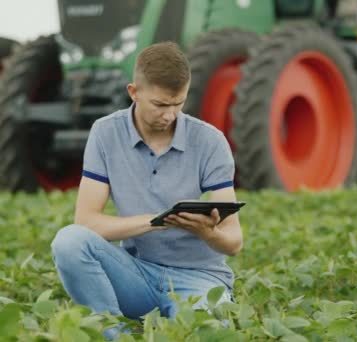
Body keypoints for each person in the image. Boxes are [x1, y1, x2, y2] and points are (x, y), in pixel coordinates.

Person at [50, 42, 243, 338]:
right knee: (69, 241)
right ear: (134, 92)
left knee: (207, 334)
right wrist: (156, 221)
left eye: (179, 104)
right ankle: (114, 336)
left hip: (199, 279)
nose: (170, 115)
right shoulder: (105, 133)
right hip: (136, 275)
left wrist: (208, 233)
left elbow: (233, 241)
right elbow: (87, 221)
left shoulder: (210, 141)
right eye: (161, 105)